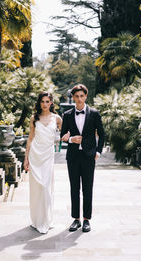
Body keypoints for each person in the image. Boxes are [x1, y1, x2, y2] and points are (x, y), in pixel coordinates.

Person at [60, 84, 105, 233]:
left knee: (87, 188)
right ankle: (75, 219)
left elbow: (102, 134)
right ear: (73, 98)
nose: (79, 99)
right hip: (72, 156)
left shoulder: (94, 113)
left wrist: (98, 152)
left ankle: (86, 219)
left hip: (88, 156)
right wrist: (71, 139)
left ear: (86, 96)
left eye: (82, 96)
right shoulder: (66, 115)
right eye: (76, 96)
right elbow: (63, 137)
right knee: (74, 188)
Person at [24, 91, 69, 234]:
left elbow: (64, 135)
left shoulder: (57, 118)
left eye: (47, 101)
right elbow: (30, 139)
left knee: (45, 187)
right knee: (37, 188)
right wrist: (26, 159)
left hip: (48, 156)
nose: (45, 104)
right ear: (39, 103)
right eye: (42, 101)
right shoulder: (33, 118)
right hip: (35, 155)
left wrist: (69, 136)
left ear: (51, 103)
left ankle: (46, 219)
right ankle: (37, 220)